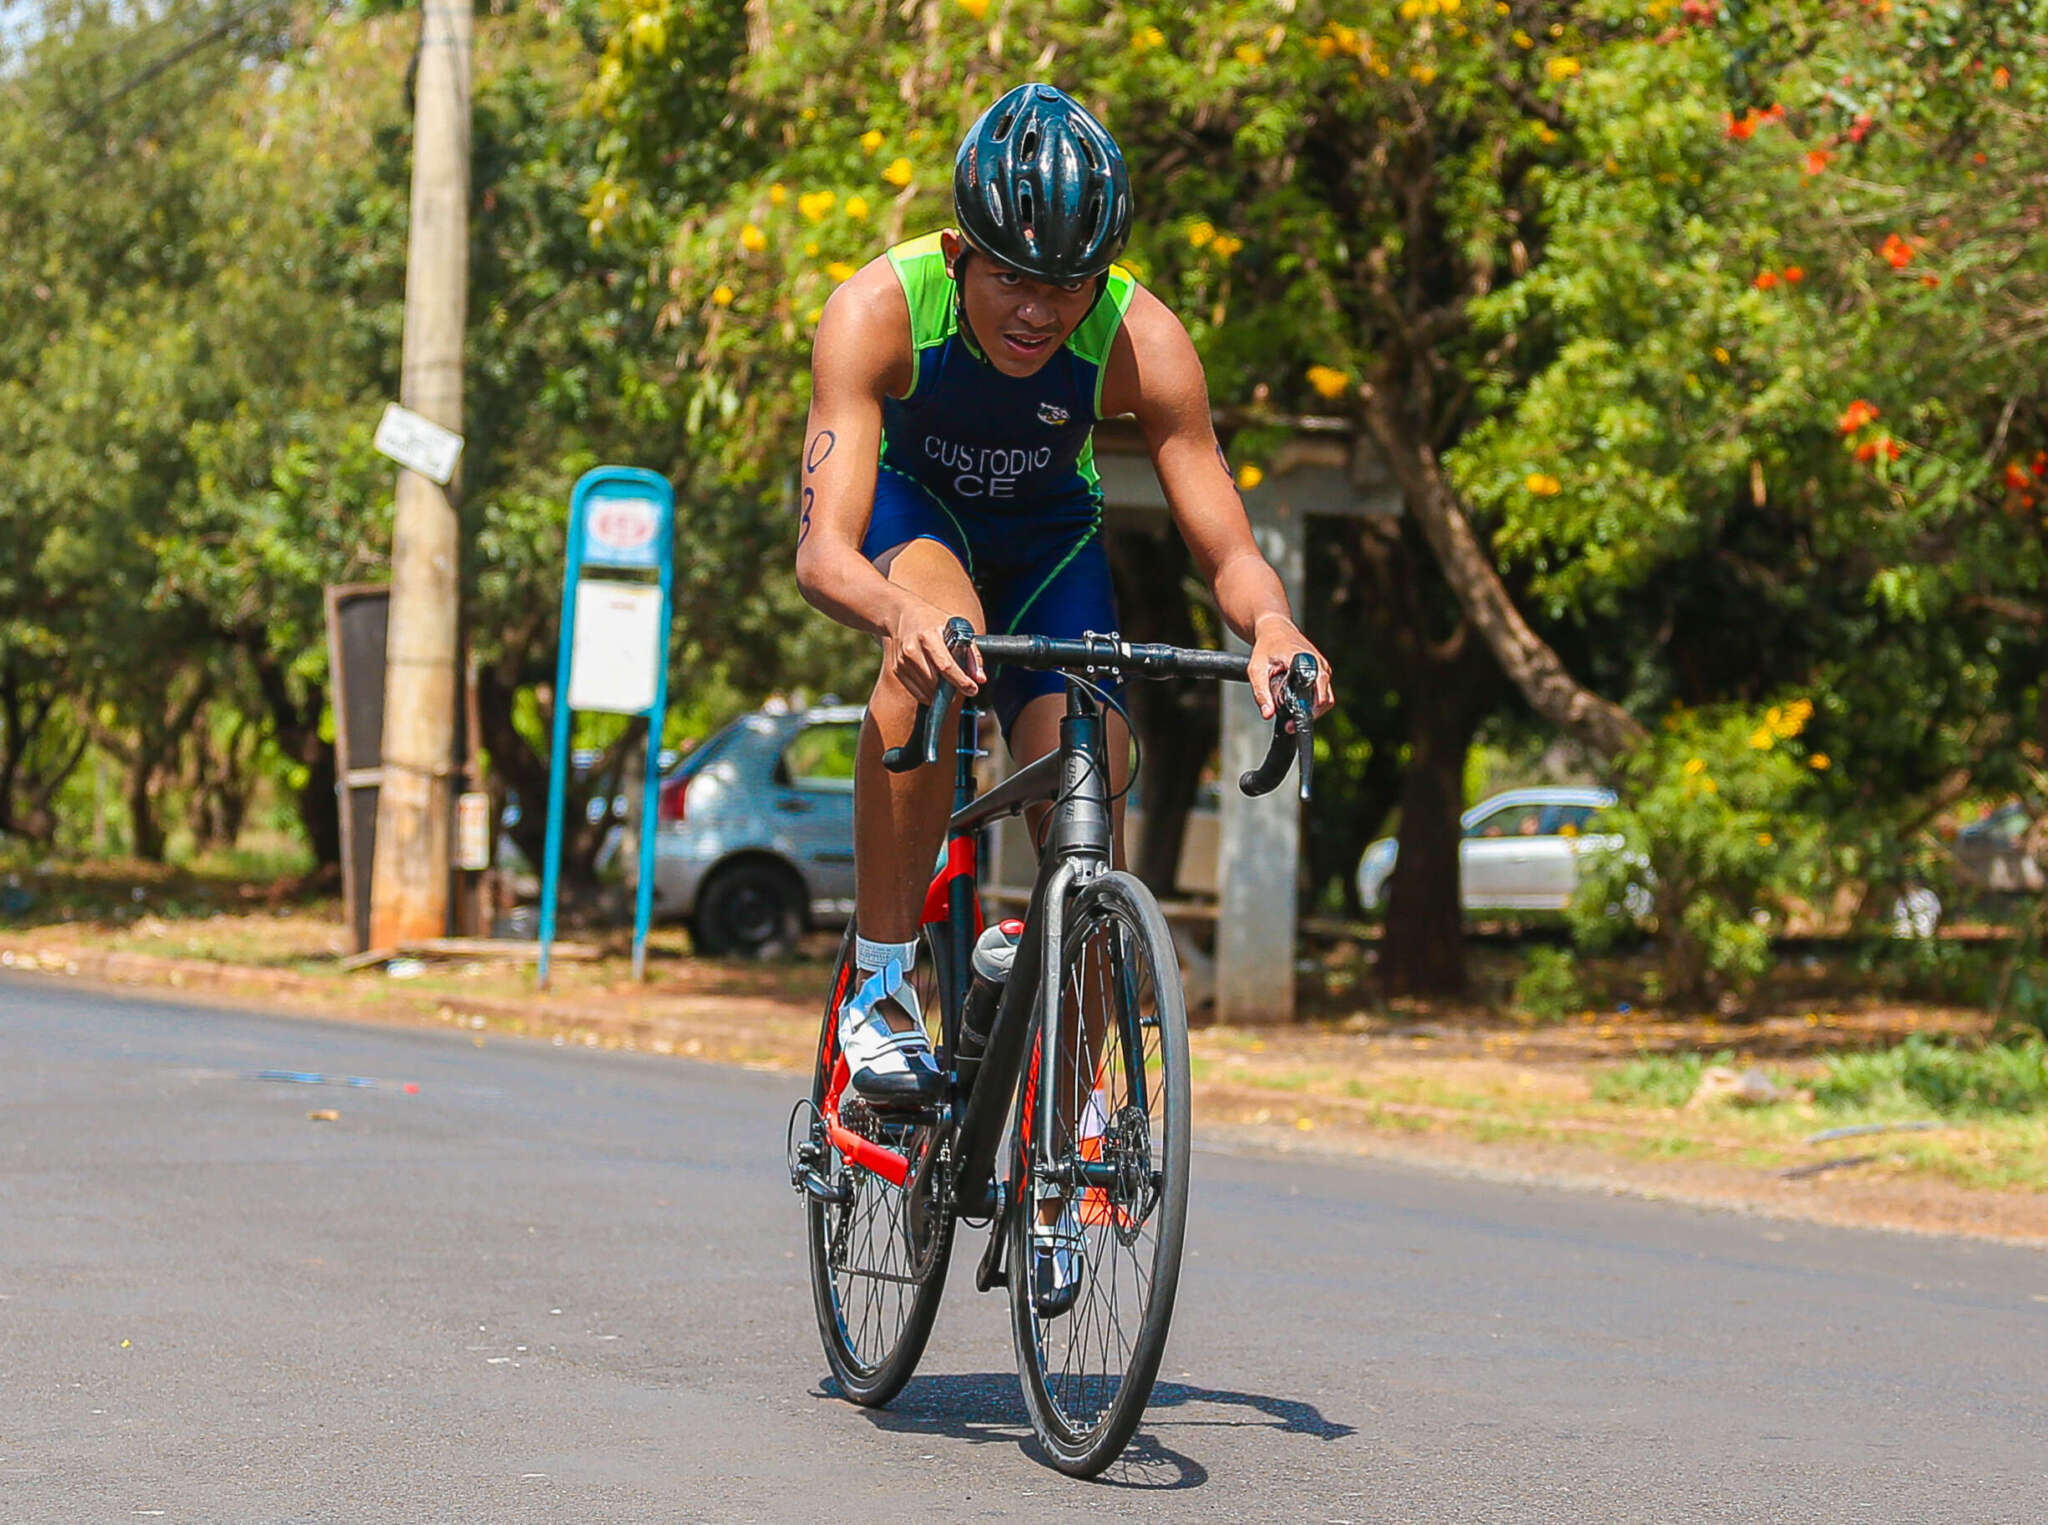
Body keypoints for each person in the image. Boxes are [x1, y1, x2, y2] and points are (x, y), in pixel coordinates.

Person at [793, 82, 1333, 1302]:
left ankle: (1065, 1071)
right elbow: (824, 551)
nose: (1039, 311)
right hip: (913, 525)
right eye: (1011, 280)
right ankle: (884, 984)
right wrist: (897, 611)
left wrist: (1272, 625)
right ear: (957, 254)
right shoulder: (878, 311)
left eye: (1069, 284)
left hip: (1048, 540)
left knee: (1098, 764)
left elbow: (1226, 544)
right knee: (933, 643)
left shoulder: (1144, 338)